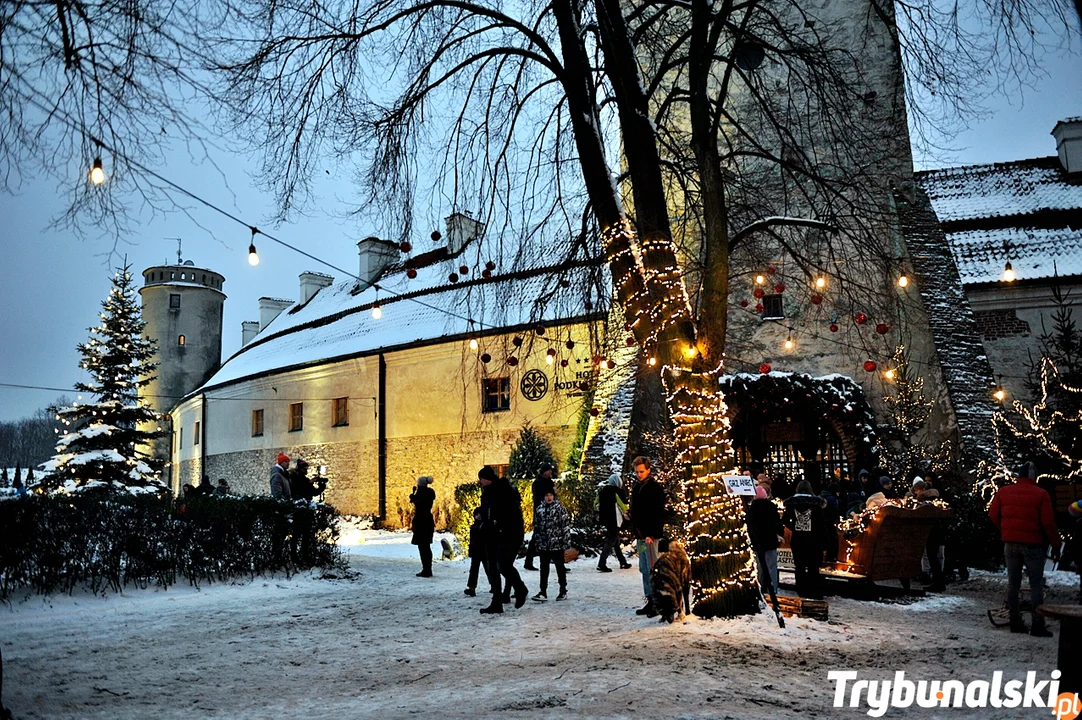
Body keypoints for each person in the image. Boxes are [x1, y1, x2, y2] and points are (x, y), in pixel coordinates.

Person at [988, 461, 1061, 637]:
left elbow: (992, 514)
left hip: (1010, 544)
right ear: (1034, 476)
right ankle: (1037, 624)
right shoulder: (1041, 494)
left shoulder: (1004, 491)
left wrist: (1005, 530)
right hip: (1033, 545)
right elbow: (1048, 523)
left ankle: (1015, 621)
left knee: (1013, 584)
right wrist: (1056, 544)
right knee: (1036, 585)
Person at [477, 466, 529, 614]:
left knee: (503, 566)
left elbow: (509, 513)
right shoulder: (487, 492)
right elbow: (488, 510)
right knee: (492, 567)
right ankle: (497, 602)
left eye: (481, 479)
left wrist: (499, 525)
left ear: (487, 478)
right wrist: (483, 516)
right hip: (491, 534)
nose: (480, 482)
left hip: (505, 534)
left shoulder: (503, 491)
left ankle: (520, 588)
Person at [629, 456, 666, 618]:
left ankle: (657, 602)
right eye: (637, 472)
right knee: (644, 568)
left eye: (642, 471)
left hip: (649, 535)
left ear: (649, 470)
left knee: (652, 568)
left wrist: (651, 533)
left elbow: (657, 513)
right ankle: (650, 599)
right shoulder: (637, 487)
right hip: (640, 535)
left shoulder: (654, 489)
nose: (639, 474)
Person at [782, 480, 828, 599]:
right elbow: (821, 523)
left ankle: (801, 589)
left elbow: (785, 519)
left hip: (798, 538)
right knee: (813, 566)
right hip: (814, 539)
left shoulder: (791, 504)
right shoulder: (817, 504)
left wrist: (794, 527)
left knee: (800, 566)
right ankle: (814, 590)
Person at [532, 490, 570, 601]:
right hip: (544, 544)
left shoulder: (560, 509)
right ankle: (543, 591)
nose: (549, 497)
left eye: (551, 495)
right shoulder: (540, 510)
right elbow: (537, 527)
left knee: (560, 568)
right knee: (543, 568)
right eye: (546, 495)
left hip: (557, 544)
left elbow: (565, 527)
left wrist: (566, 542)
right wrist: (537, 542)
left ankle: (563, 590)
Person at [746, 484, 784, 597]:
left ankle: (759, 589)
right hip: (770, 540)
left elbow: (750, 525)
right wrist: (779, 535)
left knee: (759, 567)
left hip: (757, 542)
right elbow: (778, 523)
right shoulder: (771, 506)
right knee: (771, 566)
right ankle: (772, 588)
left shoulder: (751, 508)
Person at [596, 473, 633, 572]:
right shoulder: (618, 491)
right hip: (615, 519)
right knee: (611, 540)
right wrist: (628, 513)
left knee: (615, 541)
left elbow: (595, 504)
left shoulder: (602, 491)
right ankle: (601, 563)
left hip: (605, 519)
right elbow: (623, 505)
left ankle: (623, 562)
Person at [523, 464, 556, 571]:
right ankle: (528, 562)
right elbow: (538, 498)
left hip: (550, 512)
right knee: (537, 537)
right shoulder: (538, 483)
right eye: (548, 470)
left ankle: (558, 562)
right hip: (541, 513)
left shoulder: (549, 482)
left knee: (552, 536)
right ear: (544, 471)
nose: (550, 472)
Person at [410, 476, 436, 577]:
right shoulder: (429, 493)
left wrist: (413, 498)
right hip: (428, 521)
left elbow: (420, 504)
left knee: (423, 546)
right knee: (426, 546)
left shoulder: (421, 493)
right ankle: (427, 568)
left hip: (421, 522)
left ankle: (426, 569)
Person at [464, 508, 488, 597]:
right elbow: (472, 541)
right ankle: (471, 588)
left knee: (488, 570)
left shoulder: (485, 526)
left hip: (485, 551)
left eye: (480, 514)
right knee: (473, 570)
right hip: (476, 551)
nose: (478, 516)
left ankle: (494, 586)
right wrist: (471, 551)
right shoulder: (473, 527)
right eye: (476, 514)